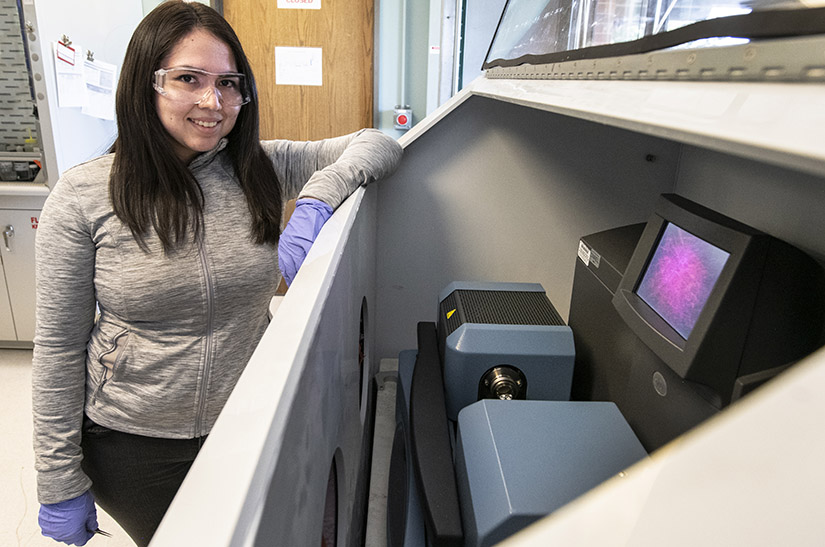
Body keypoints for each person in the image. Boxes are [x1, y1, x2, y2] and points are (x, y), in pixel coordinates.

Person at [31, 2, 402, 546]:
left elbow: (379, 142)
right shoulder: (85, 196)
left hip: (247, 421)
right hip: (134, 444)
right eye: (188, 79)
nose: (213, 101)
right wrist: (57, 478)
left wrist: (318, 198)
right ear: (145, 84)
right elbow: (59, 347)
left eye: (229, 83)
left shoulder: (258, 167)